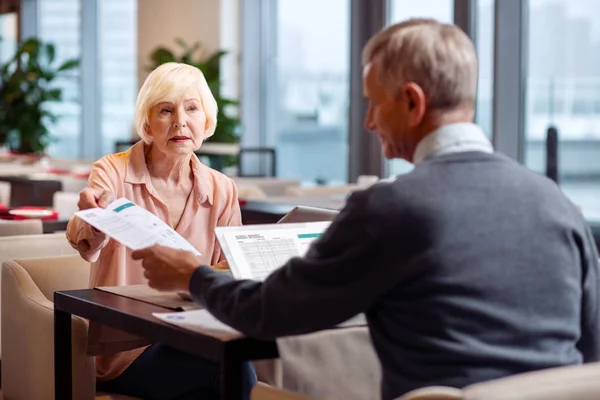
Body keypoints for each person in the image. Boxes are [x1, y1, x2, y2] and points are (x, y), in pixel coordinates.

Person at [131, 19, 600, 400]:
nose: (369, 121)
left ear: (412, 102)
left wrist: (193, 274)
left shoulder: (391, 209)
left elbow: (269, 313)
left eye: (375, 103)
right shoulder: (557, 203)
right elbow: (591, 345)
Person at [66, 62, 256, 400]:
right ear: (148, 124)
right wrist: (92, 220)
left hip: (193, 332)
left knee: (228, 364)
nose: (181, 121)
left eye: (192, 108)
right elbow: (84, 237)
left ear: (206, 121)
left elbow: (227, 275)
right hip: (126, 348)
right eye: (166, 110)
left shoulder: (222, 188)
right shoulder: (113, 171)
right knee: (228, 367)